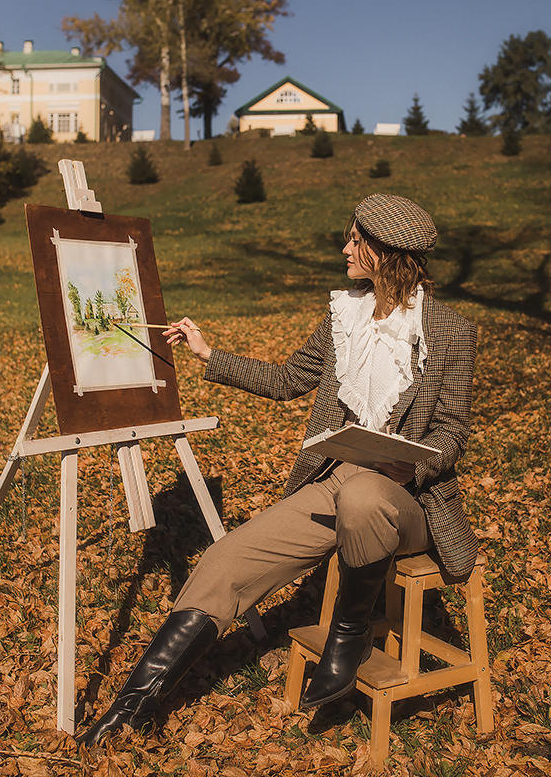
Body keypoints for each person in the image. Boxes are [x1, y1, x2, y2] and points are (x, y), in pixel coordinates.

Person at [81, 192, 479, 746]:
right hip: (334, 481)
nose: (345, 248)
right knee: (225, 560)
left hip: (405, 498)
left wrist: (410, 465)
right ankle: (134, 707)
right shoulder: (346, 315)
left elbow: (453, 433)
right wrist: (208, 354)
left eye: (355, 241)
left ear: (385, 253)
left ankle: (351, 633)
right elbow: (288, 380)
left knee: (365, 496)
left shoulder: (451, 333)